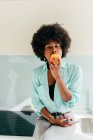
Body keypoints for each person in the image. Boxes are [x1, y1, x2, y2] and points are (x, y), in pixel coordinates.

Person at [31, 23, 82, 140]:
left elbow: (72, 102)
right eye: (48, 47)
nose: (54, 50)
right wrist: (51, 118)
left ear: (62, 49)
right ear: (42, 52)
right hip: (45, 118)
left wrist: (58, 78)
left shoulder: (74, 70)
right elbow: (36, 102)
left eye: (57, 46)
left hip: (65, 117)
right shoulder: (36, 73)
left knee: (47, 138)